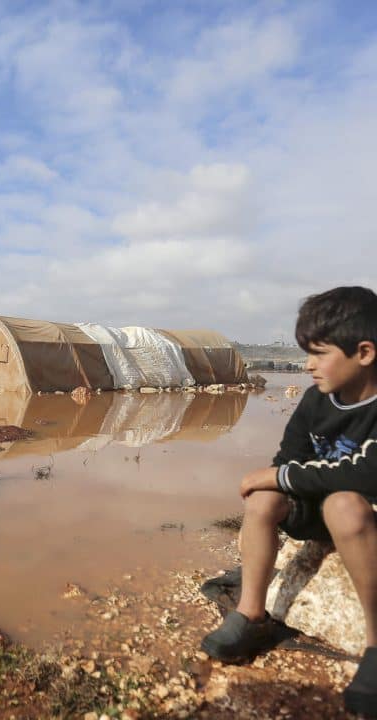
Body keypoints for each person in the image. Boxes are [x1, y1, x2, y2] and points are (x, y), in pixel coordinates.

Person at [200, 286, 377, 717]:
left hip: (365, 511)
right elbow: (289, 458)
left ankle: (375, 644)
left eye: (319, 353)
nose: (308, 365)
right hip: (323, 503)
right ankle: (251, 617)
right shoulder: (317, 399)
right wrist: (278, 478)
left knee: (342, 505)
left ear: (365, 352)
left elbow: (367, 472)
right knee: (264, 498)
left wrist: (282, 474)